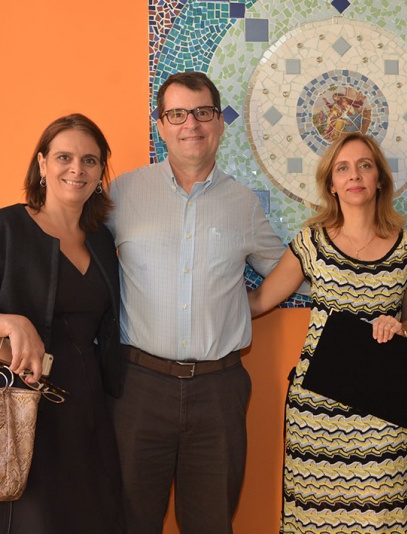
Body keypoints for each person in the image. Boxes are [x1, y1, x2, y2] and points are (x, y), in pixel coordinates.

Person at [0, 114, 125, 533]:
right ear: (42, 164)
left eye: (90, 160)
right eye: (64, 157)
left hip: (86, 414)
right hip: (11, 413)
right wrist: (10, 322)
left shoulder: (104, 239)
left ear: (100, 172)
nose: (77, 169)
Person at [107, 71, 290, 534]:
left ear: (220, 122)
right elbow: (72, 255)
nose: (191, 123)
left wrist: (399, 255)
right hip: (137, 387)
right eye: (177, 114)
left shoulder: (243, 203)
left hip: (218, 390)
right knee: (128, 519)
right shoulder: (121, 194)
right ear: (161, 125)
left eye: (203, 112)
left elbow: (294, 270)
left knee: (211, 523)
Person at [248, 132, 407, 533]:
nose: (354, 175)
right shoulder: (311, 243)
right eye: (342, 168)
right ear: (331, 183)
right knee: (314, 520)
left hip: (383, 410)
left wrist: (401, 327)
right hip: (317, 410)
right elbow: (260, 301)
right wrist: (201, 310)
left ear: (380, 178)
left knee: (382, 517)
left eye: (365, 165)